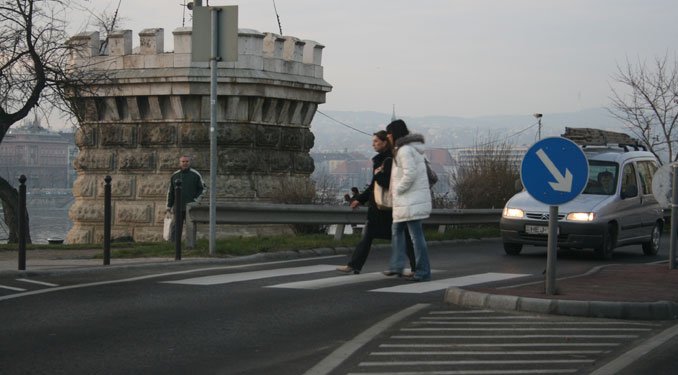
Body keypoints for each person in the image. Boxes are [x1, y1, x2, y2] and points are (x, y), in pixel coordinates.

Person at [336, 130, 416, 275]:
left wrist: (378, 174)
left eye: (376, 141)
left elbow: (384, 183)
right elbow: (374, 186)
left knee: (398, 236)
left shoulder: (388, 160)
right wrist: (359, 199)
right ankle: (355, 265)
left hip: (385, 207)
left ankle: (415, 267)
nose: (373, 144)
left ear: (385, 143)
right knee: (375, 236)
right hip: (383, 207)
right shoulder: (384, 159)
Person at [383, 119, 432, 282]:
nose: (387, 137)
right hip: (407, 201)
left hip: (409, 200)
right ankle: (397, 266)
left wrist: (397, 190)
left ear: (394, 134)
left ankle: (422, 271)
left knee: (415, 236)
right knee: (398, 232)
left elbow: (409, 174)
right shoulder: (409, 149)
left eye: (389, 134)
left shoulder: (404, 150)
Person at [166, 155, 206, 240]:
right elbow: (171, 192)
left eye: (187, 161)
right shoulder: (175, 175)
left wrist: (196, 201)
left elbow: (203, 188)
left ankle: (190, 246)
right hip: (178, 207)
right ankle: (174, 246)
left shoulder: (195, 174)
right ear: (180, 163)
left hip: (190, 206)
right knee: (176, 227)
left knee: (190, 227)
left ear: (189, 162)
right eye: (183, 161)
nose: (185, 163)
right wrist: (168, 206)